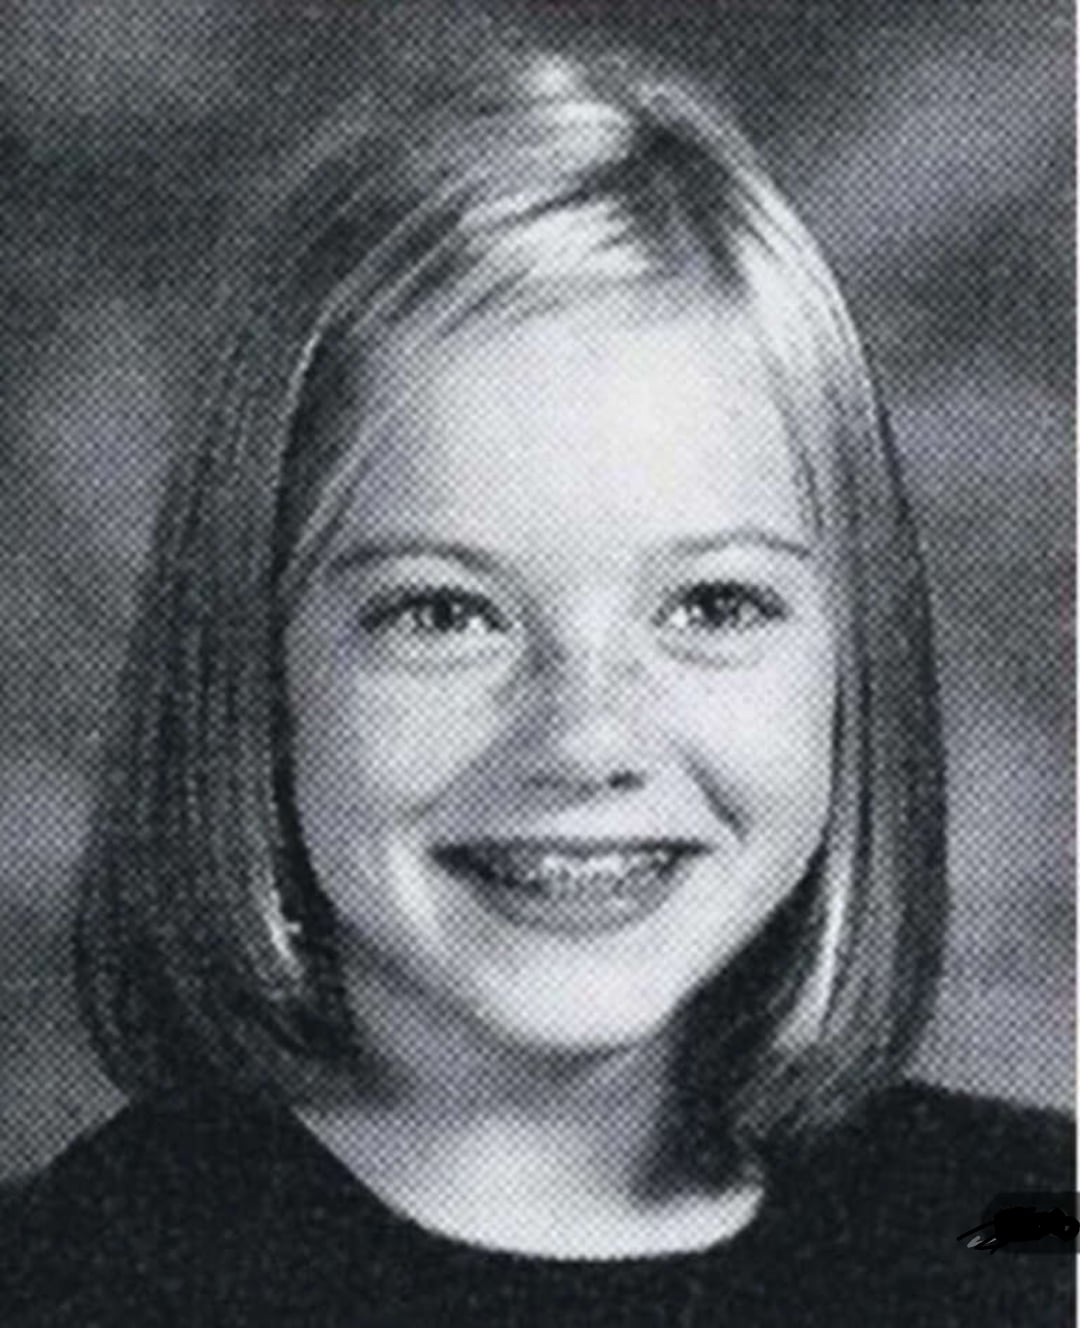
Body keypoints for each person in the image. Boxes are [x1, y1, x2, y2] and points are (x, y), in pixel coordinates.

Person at [2, 41, 1072, 1328]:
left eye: (714, 604)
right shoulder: (78, 1279)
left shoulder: (1023, 1231)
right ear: (252, 672)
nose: (585, 737)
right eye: (445, 612)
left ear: (852, 659)